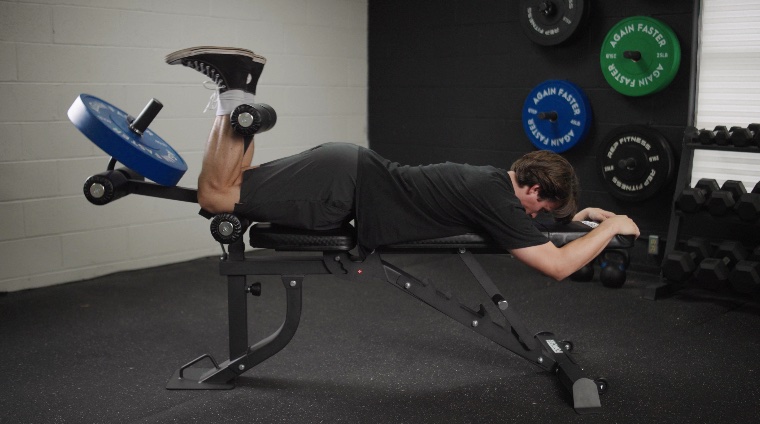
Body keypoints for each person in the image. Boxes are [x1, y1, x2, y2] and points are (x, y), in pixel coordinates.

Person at [165, 46, 641, 281]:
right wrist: (615, 221)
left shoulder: (493, 183)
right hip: (339, 188)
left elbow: (540, 235)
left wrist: (579, 221)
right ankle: (234, 86)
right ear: (534, 191)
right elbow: (556, 267)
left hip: (344, 170)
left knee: (236, 181)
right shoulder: (496, 198)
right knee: (216, 194)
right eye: (540, 209)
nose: (534, 218)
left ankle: (242, 86)